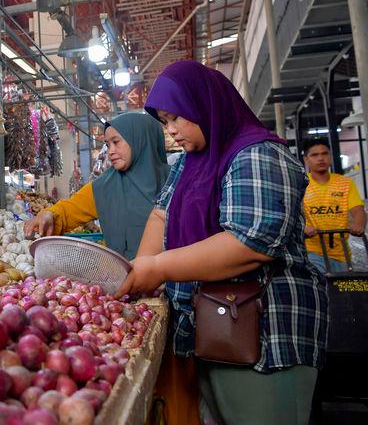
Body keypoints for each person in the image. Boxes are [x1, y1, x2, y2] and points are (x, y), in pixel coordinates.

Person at [116, 61, 328, 425]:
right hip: (215, 331)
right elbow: (160, 214)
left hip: (264, 336)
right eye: (164, 122)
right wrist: (140, 268)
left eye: (175, 118)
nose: (171, 131)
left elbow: (249, 244)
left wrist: (158, 267)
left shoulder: (259, 154)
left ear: (203, 103)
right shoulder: (190, 162)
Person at [24, 112, 170, 259]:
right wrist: (49, 214)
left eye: (116, 142)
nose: (110, 151)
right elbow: (69, 210)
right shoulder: (105, 186)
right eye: (107, 145)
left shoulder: (175, 183)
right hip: (122, 276)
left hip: (172, 278)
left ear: (140, 141)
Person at [301, 138, 366, 273]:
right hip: (312, 252)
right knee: (322, 287)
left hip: (342, 253)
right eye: (315, 155)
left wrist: (359, 224)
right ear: (306, 159)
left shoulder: (345, 183)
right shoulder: (302, 184)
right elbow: (293, 213)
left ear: (330, 156)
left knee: (345, 290)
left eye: (325, 154)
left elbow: (358, 210)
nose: (321, 158)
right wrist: (304, 227)